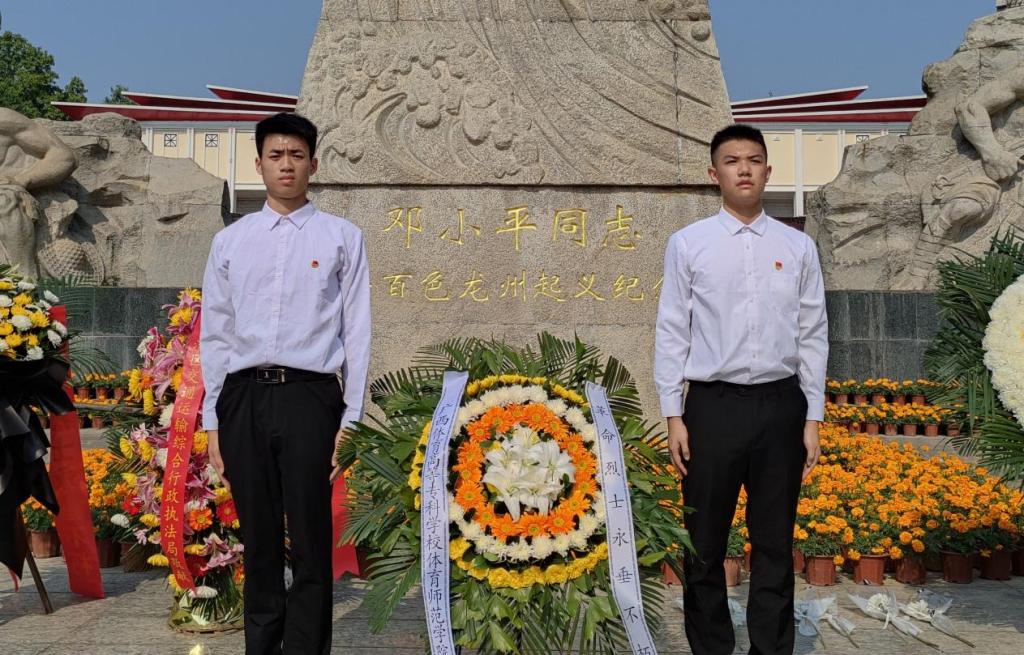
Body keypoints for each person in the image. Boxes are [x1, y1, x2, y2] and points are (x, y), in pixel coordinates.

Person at [200, 112, 371, 655]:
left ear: (313, 164)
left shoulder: (341, 237)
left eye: (297, 155)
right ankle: (262, 646)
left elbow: (357, 332)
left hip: (310, 396)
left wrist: (352, 419)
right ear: (259, 164)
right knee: (260, 541)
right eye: (275, 155)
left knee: (311, 538)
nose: (286, 165)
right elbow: (215, 335)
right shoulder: (231, 241)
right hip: (243, 397)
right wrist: (212, 421)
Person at [654, 124, 828, 655]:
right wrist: (674, 414)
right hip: (713, 407)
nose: (744, 169)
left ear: (768, 171)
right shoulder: (689, 244)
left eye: (753, 160)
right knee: (704, 541)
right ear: (715, 173)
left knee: (774, 541)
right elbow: (672, 329)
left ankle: (770, 648)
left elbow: (813, 333)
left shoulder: (797, 247)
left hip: (781, 405)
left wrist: (813, 418)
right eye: (732, 161)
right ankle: (711, 646)